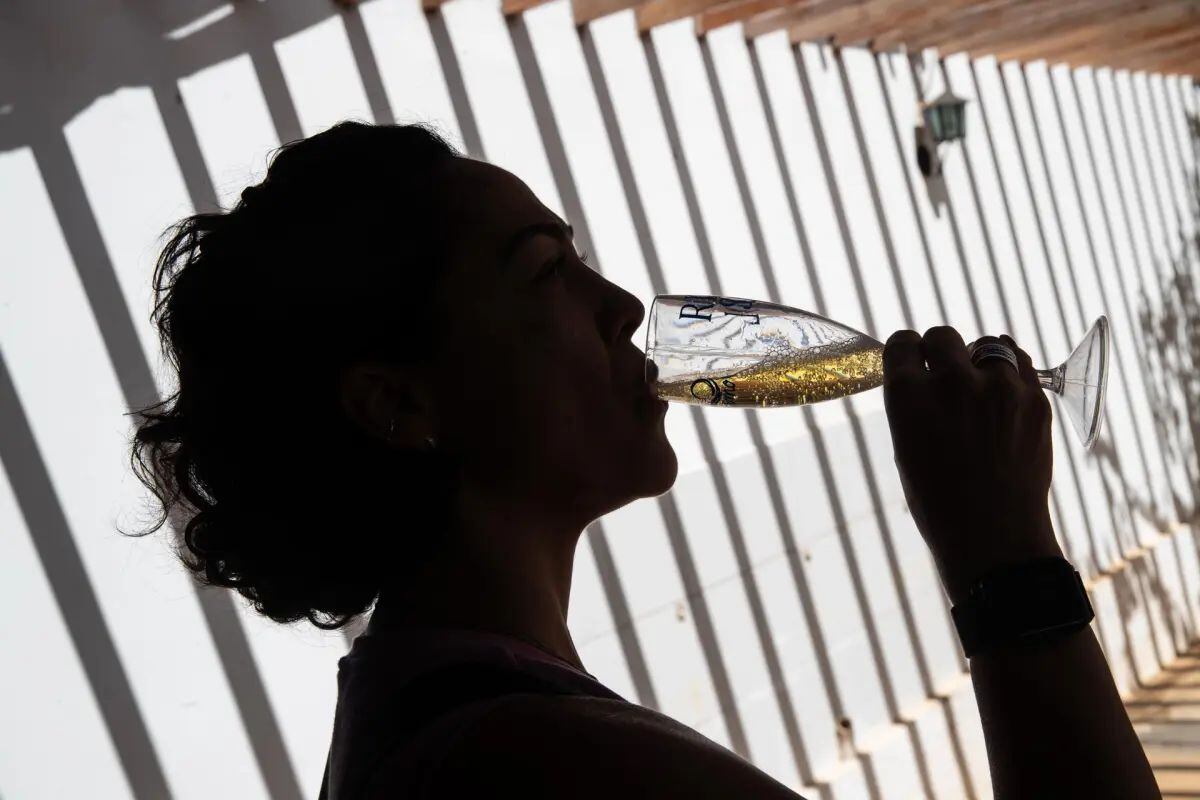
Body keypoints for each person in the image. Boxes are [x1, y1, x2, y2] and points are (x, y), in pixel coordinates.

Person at [129, 121, 1159, 798]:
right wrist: (1004, 557)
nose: (622, 305)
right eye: (546, 272)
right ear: (400, 399)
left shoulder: (443, 716)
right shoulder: (534, 763)